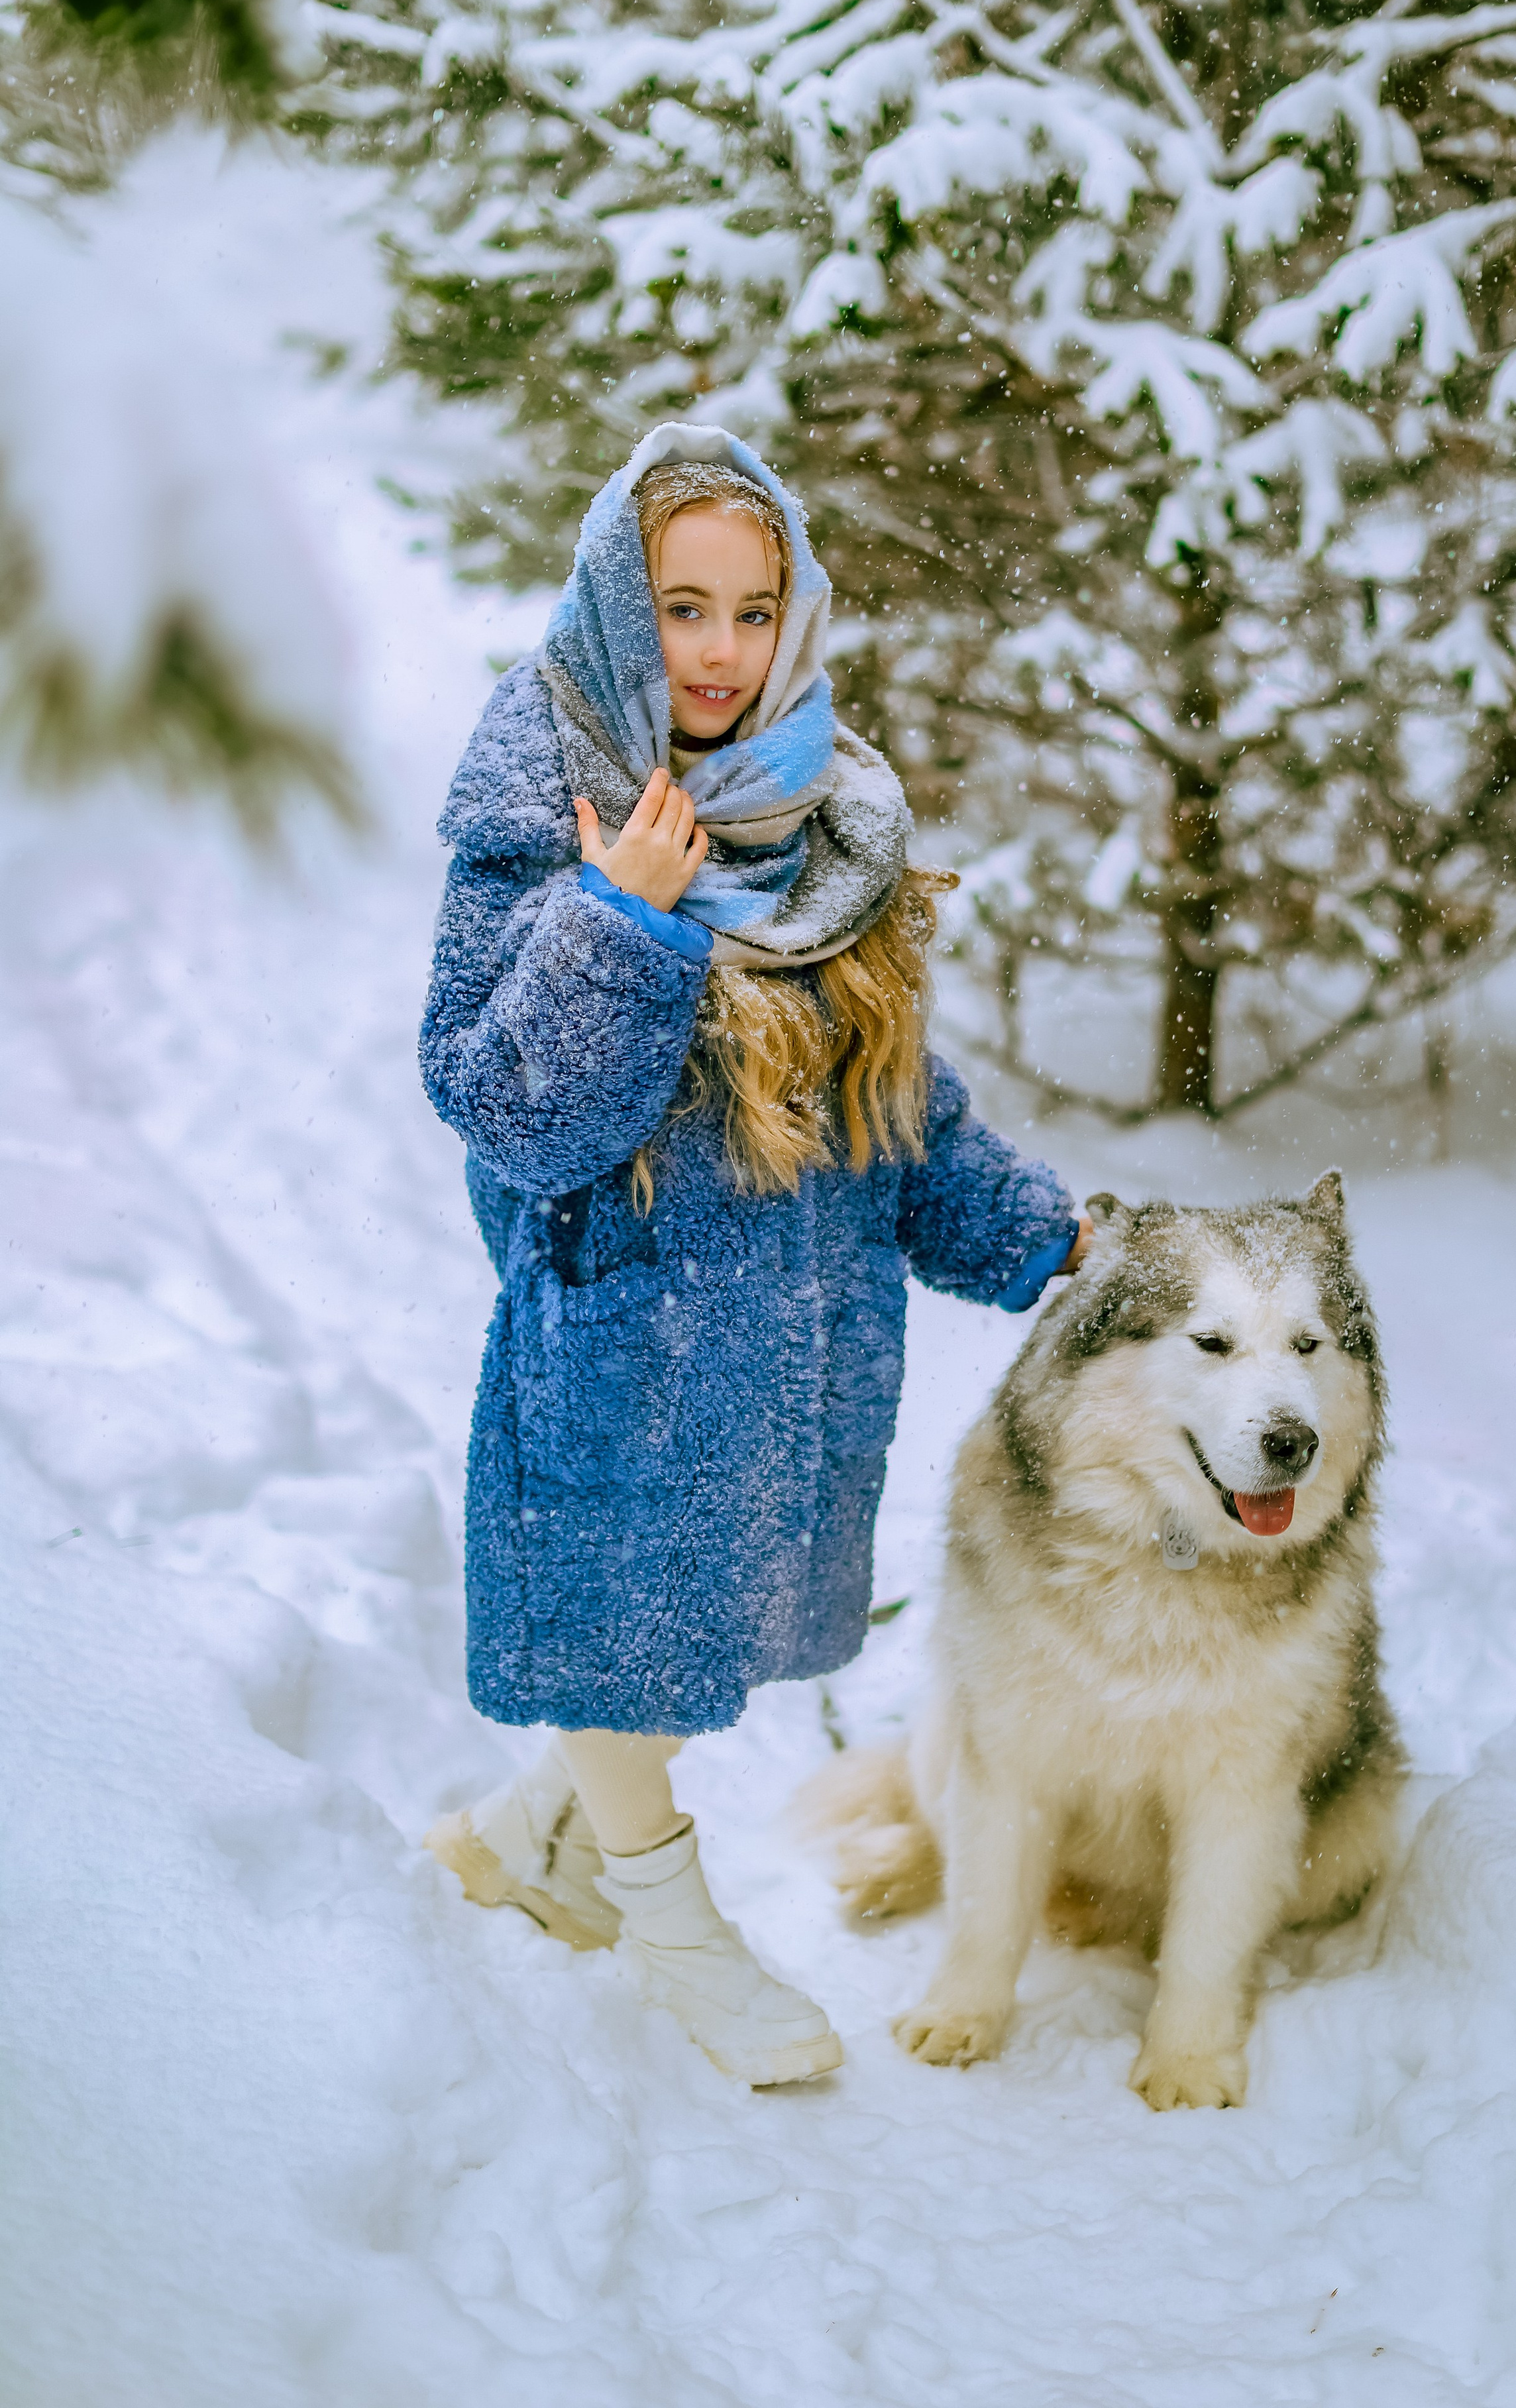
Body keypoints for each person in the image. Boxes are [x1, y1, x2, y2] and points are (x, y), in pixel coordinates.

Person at [419, 423, 1091, 2085]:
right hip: (626, 1335)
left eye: (751, 609)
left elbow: (894, 1102)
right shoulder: (541, 816)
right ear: (612, 610)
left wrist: (1040, 1237)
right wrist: (619, 922)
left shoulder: (824, 812)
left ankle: (517, 1842)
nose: (717, 652)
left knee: (682, 1643)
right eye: (678, 608)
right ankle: (670, 1927)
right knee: (622, 1637)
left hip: (797, 1340)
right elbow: (509, 1111)